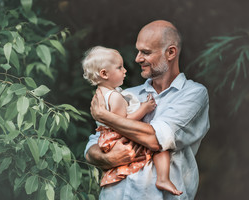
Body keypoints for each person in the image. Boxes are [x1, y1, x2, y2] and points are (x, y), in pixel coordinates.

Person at [84, 20, 210, 200]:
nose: (137, 58)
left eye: (146, 52)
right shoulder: (125, 95)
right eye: (138, 51)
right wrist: (108, 158)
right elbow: (92, 147)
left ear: (171, 52)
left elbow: (156, 139)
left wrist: (105, 116)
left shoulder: (193, 94)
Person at [82, 46, 182, 195]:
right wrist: (144, 109)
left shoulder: (100, 95)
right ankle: (163, 178)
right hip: (118, 136)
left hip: (107, 138)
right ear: (104, 73)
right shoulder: (114, 96)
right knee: (161, 145)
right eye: (119, 67)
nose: (125, 70)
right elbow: (122, 121)